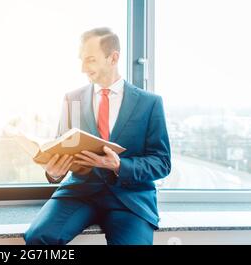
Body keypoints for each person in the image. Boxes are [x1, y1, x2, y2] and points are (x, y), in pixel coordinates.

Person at [24, 27, 171, 245]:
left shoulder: (149, 103)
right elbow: (61, 145)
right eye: (81, 60)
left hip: (129, 198)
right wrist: (54, 172)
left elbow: (162, 163)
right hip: (80, 192)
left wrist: (120, 165)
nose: (83, 68)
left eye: (90, 60)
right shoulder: (72, 99)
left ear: (113, 58)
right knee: (38, 238)